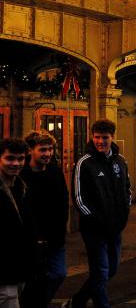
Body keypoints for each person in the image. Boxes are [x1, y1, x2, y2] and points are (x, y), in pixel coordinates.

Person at [66, 119, 131, 308]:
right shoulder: (84, 163)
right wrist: (96, 220)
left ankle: (77, 301)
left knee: (111, 270)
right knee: (101, 271)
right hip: (93, 230)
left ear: (112, 137)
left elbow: (127, 188)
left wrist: (123, 214)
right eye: (97, 137)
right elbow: (78, 197)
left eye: (105, 137)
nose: (100, 141)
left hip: (115, 228)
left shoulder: (121, 161)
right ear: (92, 137)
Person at [20, 131, 68, 308]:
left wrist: (59, 232)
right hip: (30, 239)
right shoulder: (22, 174)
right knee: (31, 280)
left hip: (55, 238)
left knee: (58, 274)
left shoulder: (55, 172)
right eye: (42, 149)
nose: (48, 153)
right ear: (31, 151)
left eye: (50, 149)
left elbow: (63, 202)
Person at [0, 138, 33, 308]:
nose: (16, 163)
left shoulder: (21, 187)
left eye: (20, 159)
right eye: (10, 158)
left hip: (16, 269)